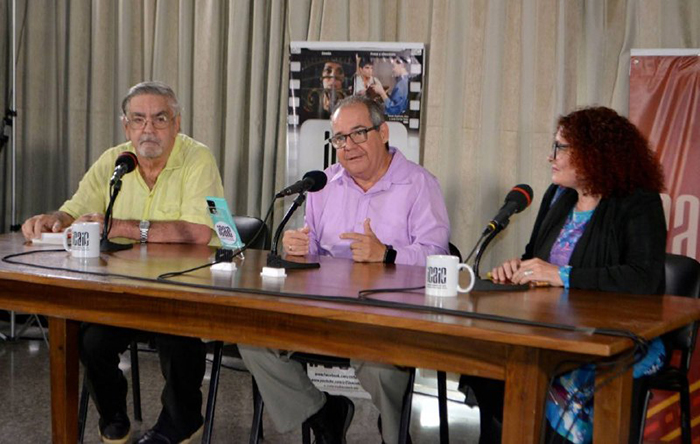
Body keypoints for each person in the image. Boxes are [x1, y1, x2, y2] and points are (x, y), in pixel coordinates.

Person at [21, 81, 225, 444]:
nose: (149, 129)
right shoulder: (115, 161)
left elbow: (197, 233)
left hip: (183, 289)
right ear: (125, 125)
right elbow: (75, 209)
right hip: (122, 292)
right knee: (90, 341)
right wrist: (53, 219)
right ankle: (113, 414)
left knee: (179, 338)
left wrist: (120, 226)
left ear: (177, 123)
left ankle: (182, 421)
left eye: (160, 118)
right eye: (138, 119)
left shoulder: (198, 158)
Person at [239, 95, 450, 444]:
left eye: (358, 133)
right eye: (339, 138)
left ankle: (395, 433)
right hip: (324, 311)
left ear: (383, 132)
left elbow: (438, 256)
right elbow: (314, 252)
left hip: (386, 316)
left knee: (381, 369)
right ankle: (323, 413)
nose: (348, 146)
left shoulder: (419, 184)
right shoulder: (323, 185)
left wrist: (388, 255)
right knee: (252, 341)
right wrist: (300, 248)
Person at [462, 106, 667, 444]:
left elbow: (643, 278)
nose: (550, 156)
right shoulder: (557, 196)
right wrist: (518, 269)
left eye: (560, 147)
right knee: (487, 364)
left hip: (618, 336)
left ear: (593, 154)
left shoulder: (638, 202)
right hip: (551, 328)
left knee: (552, 378)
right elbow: (536, 258)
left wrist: (563, 275)